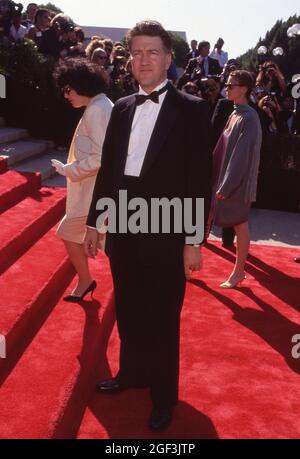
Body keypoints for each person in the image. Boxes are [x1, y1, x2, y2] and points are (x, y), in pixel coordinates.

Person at [84, 20, 212, 431]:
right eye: (137, 52)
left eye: (152, 52)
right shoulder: (121, 108)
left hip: (167, 227)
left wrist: (193, 240)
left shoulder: (191, 109)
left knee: (162, 318)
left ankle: (163, 397)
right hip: (122, 227)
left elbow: (198, 181)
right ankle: (131, 374)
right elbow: (109, 173)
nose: (143, 60)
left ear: (168, 58)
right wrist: (94, 221)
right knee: (130, 309)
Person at [52, 58, 113, 301]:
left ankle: (87, 281)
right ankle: (86, 281)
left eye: (68, 89)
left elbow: (101, 156)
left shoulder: (97, 109)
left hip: (94, 192)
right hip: (95, 192)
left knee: (67, 232)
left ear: (82, 84)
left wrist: (71, 170)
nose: (65, 95)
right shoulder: (99, 104)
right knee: (108, 242)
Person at [210, 70, 262, 288]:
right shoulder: (235, 113)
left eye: (231, 85)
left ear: (244, 89)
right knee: (212, 216)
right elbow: (222, 148)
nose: (226, 88)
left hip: (237, 181)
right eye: (227, 84)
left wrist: (227, 183)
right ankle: (191, 263)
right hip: (225, 179)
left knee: (240, 223)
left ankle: (238, 272)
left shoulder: (249, 117)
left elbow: (241, 155)